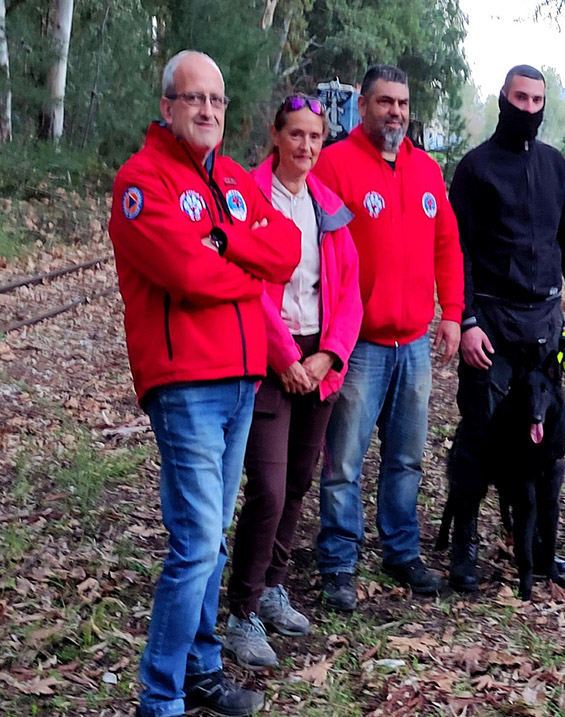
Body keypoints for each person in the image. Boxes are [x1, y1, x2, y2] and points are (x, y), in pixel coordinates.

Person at [109, 51, 300, 717]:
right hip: (186, 380)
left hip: (243, 376)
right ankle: (158, 696)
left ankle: (201, 667)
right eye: (194, 99)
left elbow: (286, 246)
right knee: (196, 541)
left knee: (212, 533)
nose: (207, 111)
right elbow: (187, 275)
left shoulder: (231, 180)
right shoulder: (142, 181)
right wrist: (242, 267)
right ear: (167, 107)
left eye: (216, 100)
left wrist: (225, 240)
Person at [311, 65, 464, 609]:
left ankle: (401, 550)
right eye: (384, 102)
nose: (395, 111)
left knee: (405, 457)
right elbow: (319, 253)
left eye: (402, 102)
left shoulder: (426, 170)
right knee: (344, 461)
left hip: (414, 344)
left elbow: (446, 243)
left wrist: (451, 313)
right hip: (359, 345)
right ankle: (338, 561)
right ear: (363, 105)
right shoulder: (333, 165)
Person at [223, 95, 364, 669]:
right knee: (270, 487)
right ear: (276, 135)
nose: (306, 147)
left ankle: (275, 587)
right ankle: (242, 611)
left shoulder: (326, 206)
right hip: (268, 359)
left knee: (302, 480)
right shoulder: (248, 199)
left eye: (315, 137)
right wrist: (285, 357)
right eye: (296, 135)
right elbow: (245, 280)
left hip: (318, 359)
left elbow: (350, 288)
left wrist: (329, 356)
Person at [443, 64, 565, 593]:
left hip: (546, 324)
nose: (528, 109)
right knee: (481, 431)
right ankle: (464, 544)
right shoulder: (475, 168)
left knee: (546, 434)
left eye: (537, 101)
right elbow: (455, 250)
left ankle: (544, 549)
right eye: (520, 99)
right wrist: (466, 319)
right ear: (503, 100)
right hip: (491, 322)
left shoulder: (555, 167)